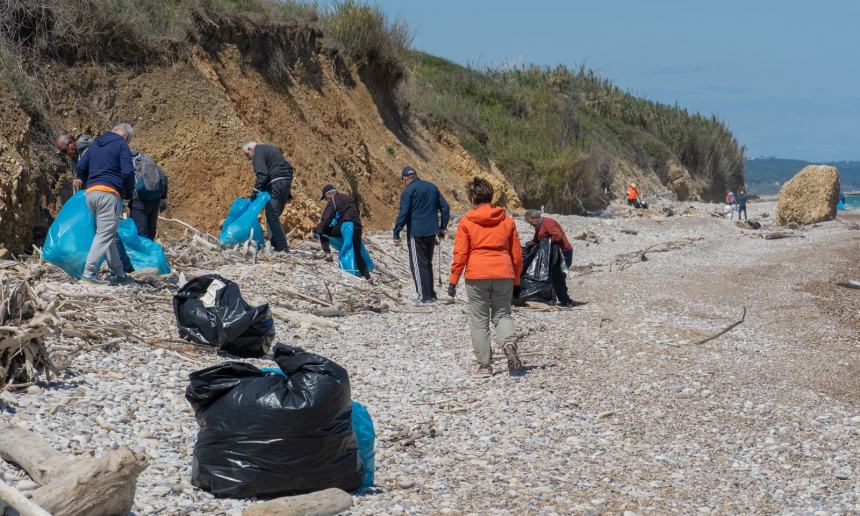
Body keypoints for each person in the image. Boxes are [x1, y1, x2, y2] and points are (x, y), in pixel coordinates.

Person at [448, 177, 523, 377]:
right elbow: (517, 255)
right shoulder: (507, 220)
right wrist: (516, 281)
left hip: (477, 273)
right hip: (503, 271)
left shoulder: (466, 221)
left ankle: (485, 366)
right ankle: (508, 342)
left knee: (480, 319)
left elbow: (461, 254)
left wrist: (453, 280)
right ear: (491, 197)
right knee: (502, 314)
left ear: (472, 198)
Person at [56, 132, 134, 274]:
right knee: (107, 233)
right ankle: (120, 270)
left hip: (102, 193)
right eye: (63, 152)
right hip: (100, 194)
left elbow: (96, 169)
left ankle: (111, 271)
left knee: (107, 234)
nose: (66, 153)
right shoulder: (83, 154)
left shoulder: (89, 150)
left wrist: (126, 193)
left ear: (72, 142)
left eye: (65, 149)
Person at [74, 124, 136, 285]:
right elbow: (128, 172)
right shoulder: (121, 145)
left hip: (91, 193)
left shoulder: (95, 145)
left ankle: (120, 273)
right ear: (125, 137)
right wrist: (129, 193)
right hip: (108, 193)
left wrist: (81, 177)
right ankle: (88, 274)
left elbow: (81, 166)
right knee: (104, 234)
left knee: (108, 233)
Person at [392, 166, 450, 303]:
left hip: (416, 232)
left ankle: (424, 296)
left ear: (405, 179)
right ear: (416, 176)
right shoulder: (432, 187)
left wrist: (396, 231)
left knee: (417, 264)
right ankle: (431, 294)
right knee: (427, 262)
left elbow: (404, 213)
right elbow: (445, 207)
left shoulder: (408, 191)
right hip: (432, 232)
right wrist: (443, 227)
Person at [243, 141, 293, 253]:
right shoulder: (270, 149)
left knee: (272, 217)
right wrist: (287, 192)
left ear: (251, 149)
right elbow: (289, 166)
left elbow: (262, 174)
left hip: (276, 184)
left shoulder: (258, 153)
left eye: (247, 155)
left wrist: (255, 192)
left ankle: (282, 248)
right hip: (286, 182)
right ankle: (275, 245)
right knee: (272, 216)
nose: (249, 158)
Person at [314, 184, 371, 280]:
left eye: (326, 197)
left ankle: (331, 257)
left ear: (329, 194)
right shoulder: (349, 198)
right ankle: (367, 276)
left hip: (347, 226)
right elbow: (354, 212)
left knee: (326, 232)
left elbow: (326, 219)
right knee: (357, 252)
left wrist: (317, 230)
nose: (327, 200)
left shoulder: (334, 200)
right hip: (357, 226)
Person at [524, 209, 574, 306]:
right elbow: (537, 238)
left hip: (563, 253)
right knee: (552, 276)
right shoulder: (539, 225)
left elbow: (558, 236)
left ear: (535, 218)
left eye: (530, 222)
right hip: (553, 254)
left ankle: (566, 301)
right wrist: (532, 243)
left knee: (559, 277)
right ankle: (556, 299)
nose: (531, 224)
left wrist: (545, 243)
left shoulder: (548, 223)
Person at [129, 150, 168, 240]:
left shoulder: (129, 162)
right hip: (155, 199)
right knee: (151, 230)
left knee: (140, 231)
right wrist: (162, 197)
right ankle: (151, 251)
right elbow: (163, 177)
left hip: (139, 199)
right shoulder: (148, 160)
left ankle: (144, 253)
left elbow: (126, 178)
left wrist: (127, 195)